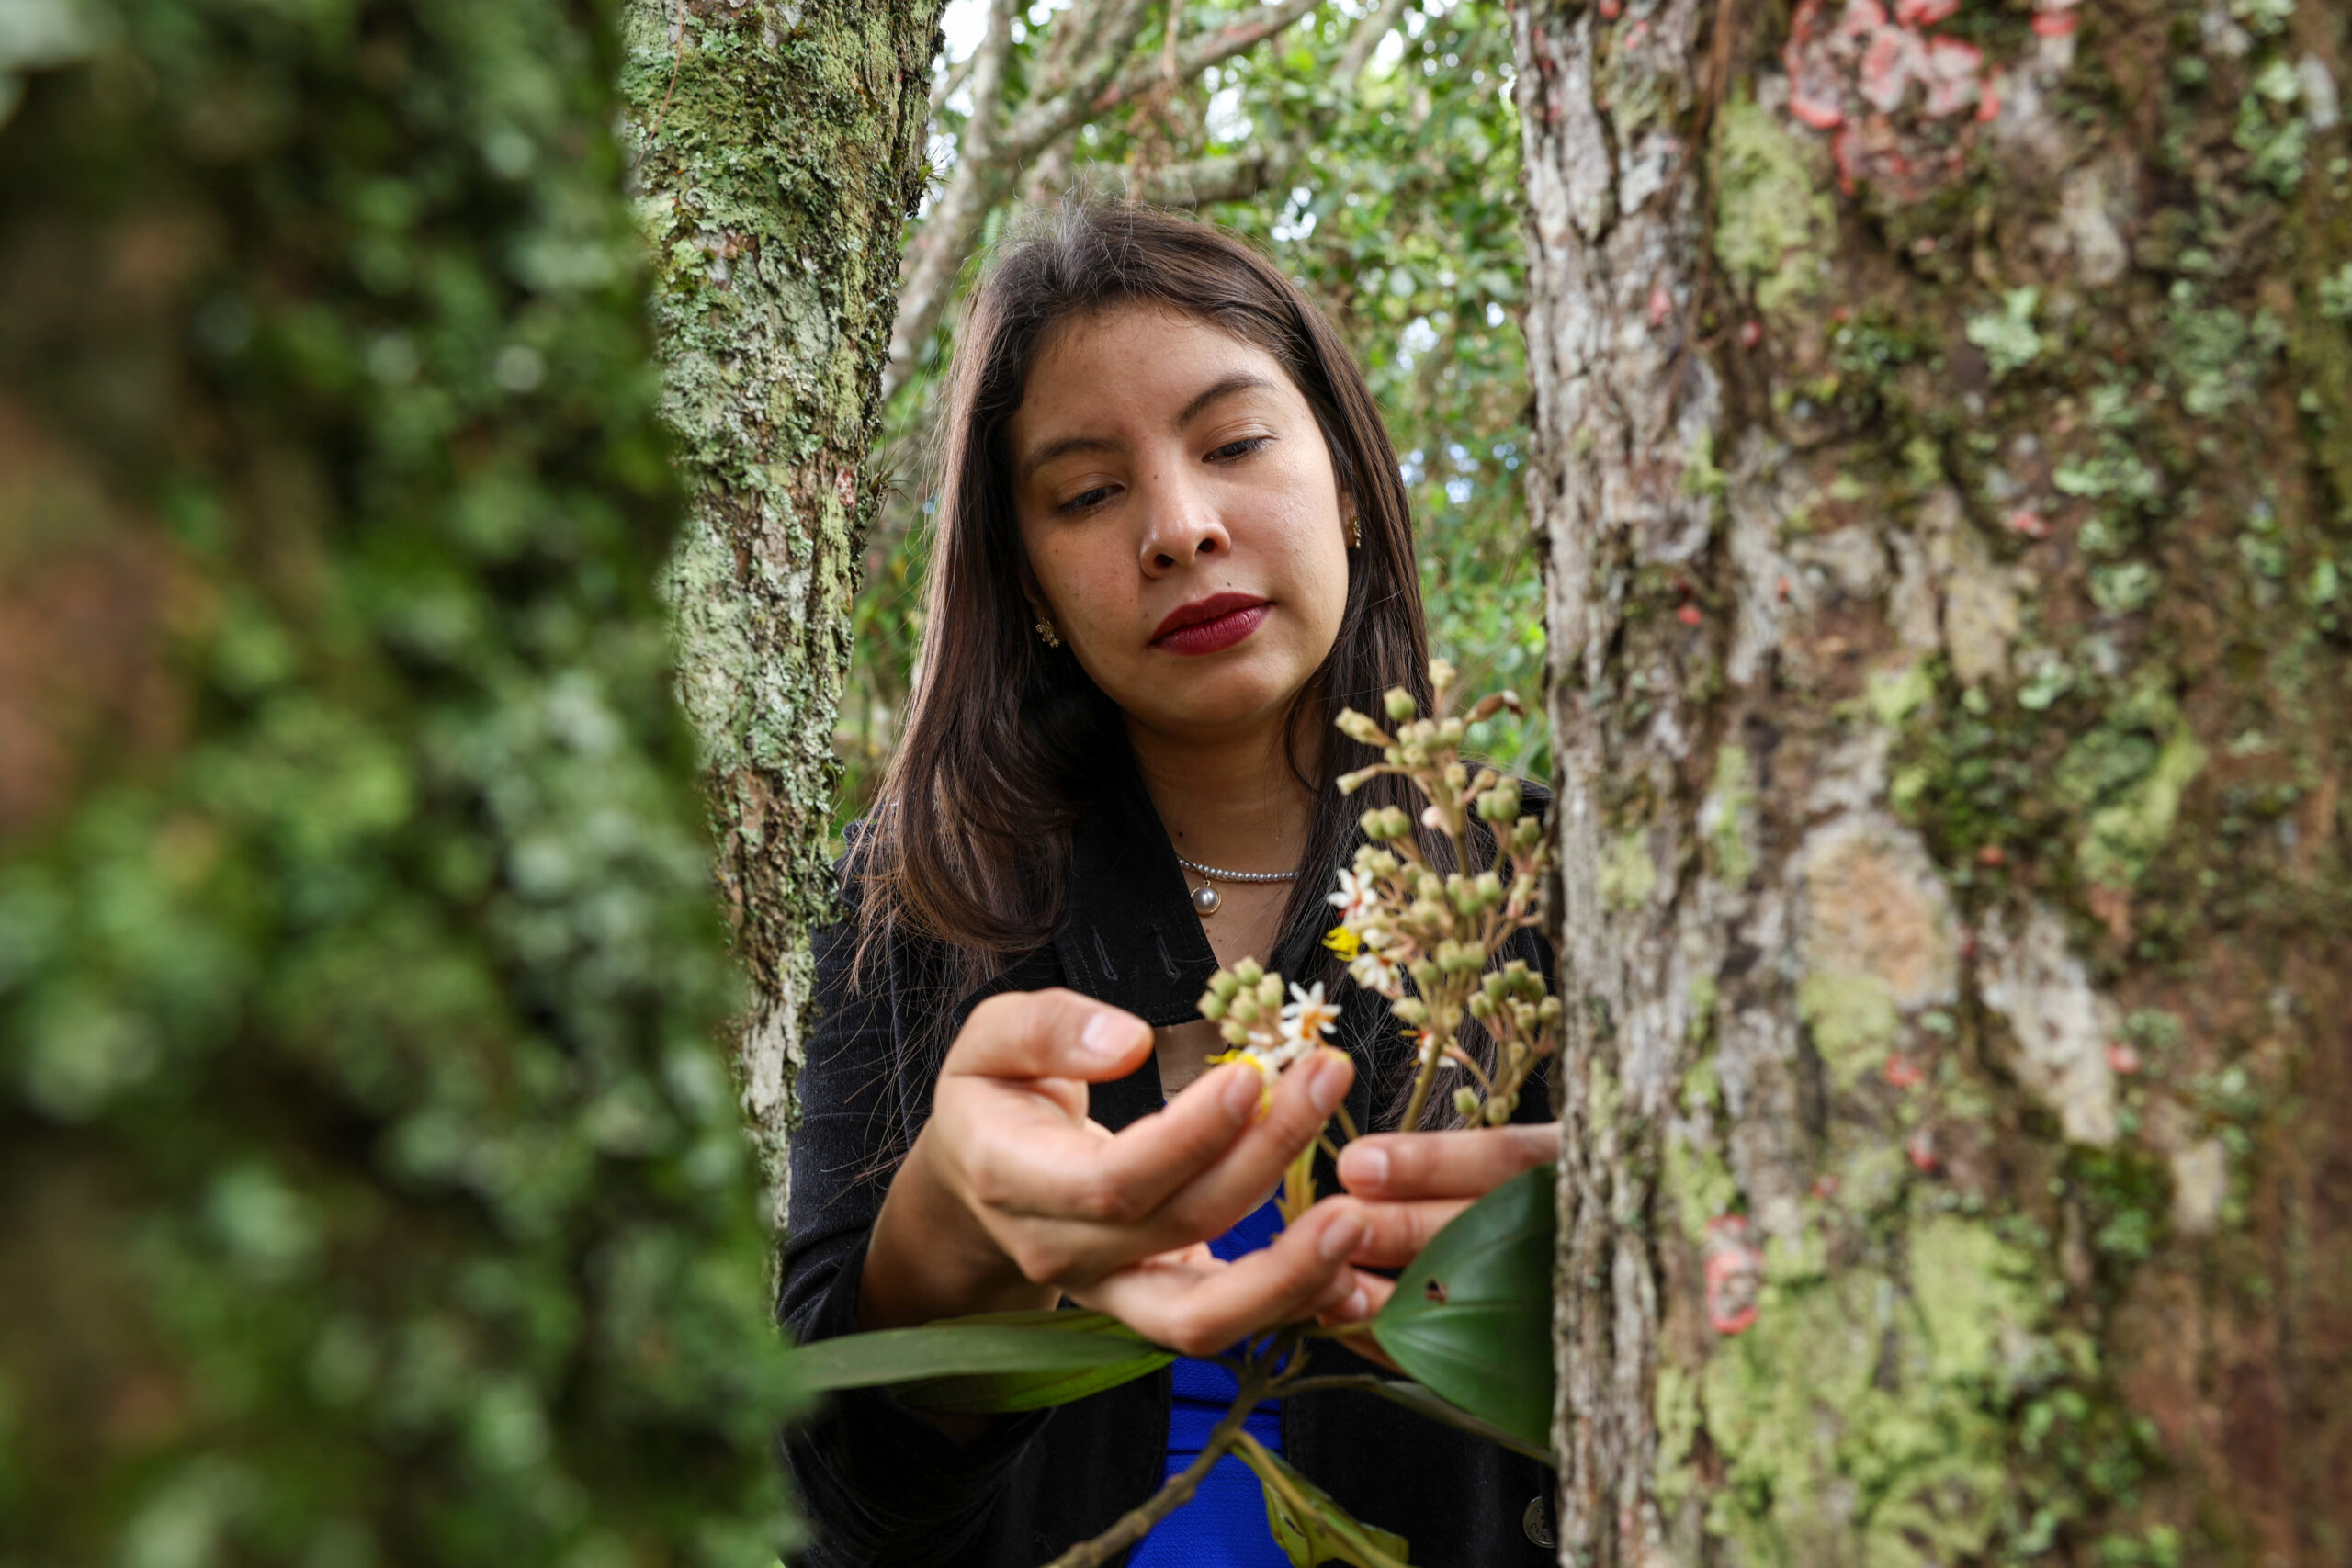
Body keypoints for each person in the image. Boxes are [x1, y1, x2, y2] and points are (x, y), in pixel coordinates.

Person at [782, 205, 1559, 1568]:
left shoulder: (1538, 885)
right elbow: (823, 1497)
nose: (1179, 529)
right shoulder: (916, 902)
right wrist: (947, 1256)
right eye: (1088, 494)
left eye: (1236, 443)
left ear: (1354, 484)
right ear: (1027, 582)